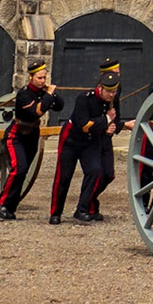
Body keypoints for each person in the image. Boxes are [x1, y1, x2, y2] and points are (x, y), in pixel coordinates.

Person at [48, 63, 123, 225]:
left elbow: (115, 118)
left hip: (91, 142)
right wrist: (106, 120)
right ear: (100, 88)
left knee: (96, 171)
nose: (112, 95)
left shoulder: (113, 100)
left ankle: (82, 208)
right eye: (109, 91)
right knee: (63, 177)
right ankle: (55, 212)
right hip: (72, 140)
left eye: (114, 91)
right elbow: (84, 125)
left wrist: (111, 127)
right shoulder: (84, 99)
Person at [0, 60, 61, 220]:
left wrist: (53, 94)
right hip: (16, 135)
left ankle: (11, 208)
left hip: (32, 136)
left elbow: (59, 106)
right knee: (19, 168)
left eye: (44, 78)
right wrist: (48, 95)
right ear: (31, 77)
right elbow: (36, 113)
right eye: (39, 78)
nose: (42, 81)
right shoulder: (24, 94)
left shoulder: (43, 92)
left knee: (24, 173)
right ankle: (3, 204)